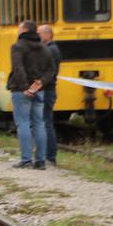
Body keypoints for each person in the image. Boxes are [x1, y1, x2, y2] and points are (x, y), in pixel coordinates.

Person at [7, 20, 50, 169]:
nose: (17, 30)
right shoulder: (44, 48)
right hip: (39, 90)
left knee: (23, 123)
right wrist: (40, 83)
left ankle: (26, 160)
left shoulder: (18, 47)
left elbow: (18, 68)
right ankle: (41, 161)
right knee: (39, 123)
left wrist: (26, 87)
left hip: (21, 91)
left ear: (24, 30)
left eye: (19, 28)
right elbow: (51, 69)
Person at [37, 23, 63, 167]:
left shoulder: (51, 50)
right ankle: (46, 154)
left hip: (47, 90)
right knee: (45, 122)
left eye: (40, 33)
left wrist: (36, 86)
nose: (38, 36)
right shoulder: (51, 49)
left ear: (48, 34)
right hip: (47, 89)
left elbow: (48, 72)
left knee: (46, 122)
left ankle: (50, 156)